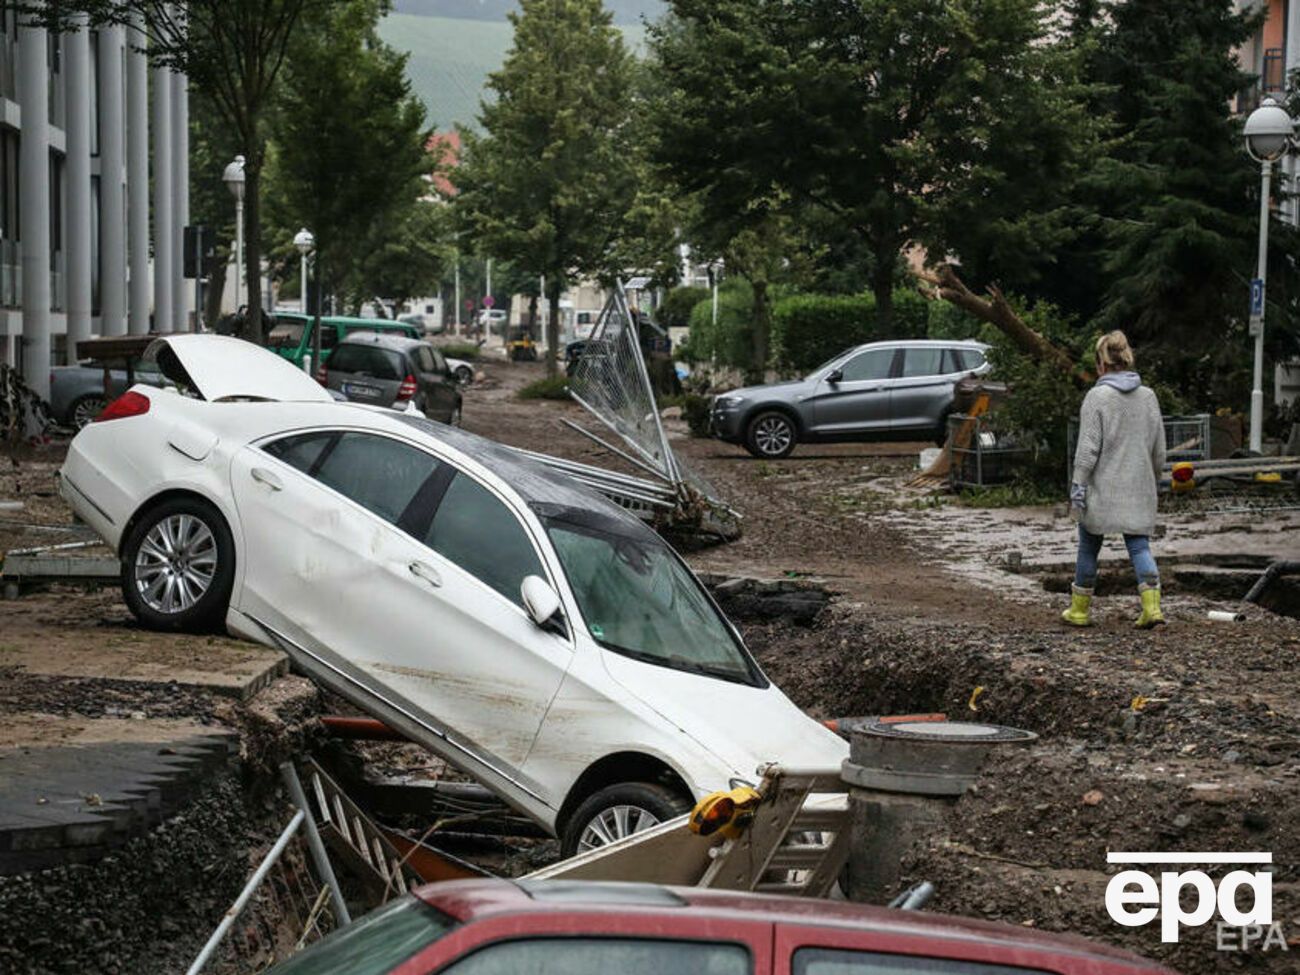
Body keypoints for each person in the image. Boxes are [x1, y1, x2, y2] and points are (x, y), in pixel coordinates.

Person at [1062, 330, 1167, 629]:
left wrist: (1077, 487)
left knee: (1088, 547)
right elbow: (1159, 449)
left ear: (1101, 364)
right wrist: (1154, 480)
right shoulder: (1148, 397)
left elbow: (1087, 450)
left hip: (1101, 490)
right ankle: (1152, 609)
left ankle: (1080, 611)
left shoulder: (1097, 397)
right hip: (1138, 487)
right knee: (1139, 547)